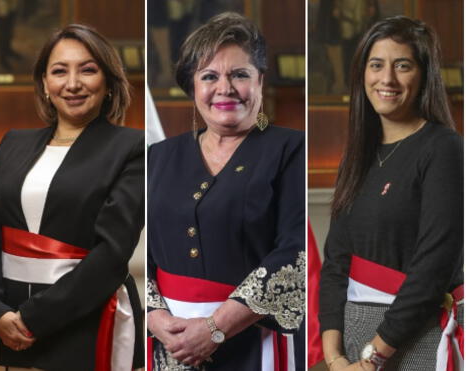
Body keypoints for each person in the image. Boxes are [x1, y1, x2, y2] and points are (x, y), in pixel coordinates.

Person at [147, 12, 305, 370]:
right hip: (171, 345)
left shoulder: (291, 149)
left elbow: (295, 253)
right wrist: (155, 318)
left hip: (255, 340)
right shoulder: (157, 156)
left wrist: (214, 329)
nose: (225, 88)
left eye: (239, 74)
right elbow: (142, 251)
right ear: (192, 87)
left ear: (260, 81)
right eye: (209, 76)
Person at [0, 24, 145, 371]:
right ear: (44, 83)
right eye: (59, 71)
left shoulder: (131, 148)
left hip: (86, 322)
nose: (72, 83)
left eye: (87, 70)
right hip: (11, 322)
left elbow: (112, 253)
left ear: (107, 83)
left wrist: (32, 318)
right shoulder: (13, 144)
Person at [318, 16, 463, 371]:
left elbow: (433, 267)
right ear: (362, 74)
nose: (387, 79)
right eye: (376, 65)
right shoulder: (357, 155)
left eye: (402, 66)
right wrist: (334, 357)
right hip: (350, 346)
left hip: (413, 340)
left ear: (423, 74)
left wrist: (374, 356)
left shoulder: (443, 148)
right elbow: (336, 261)